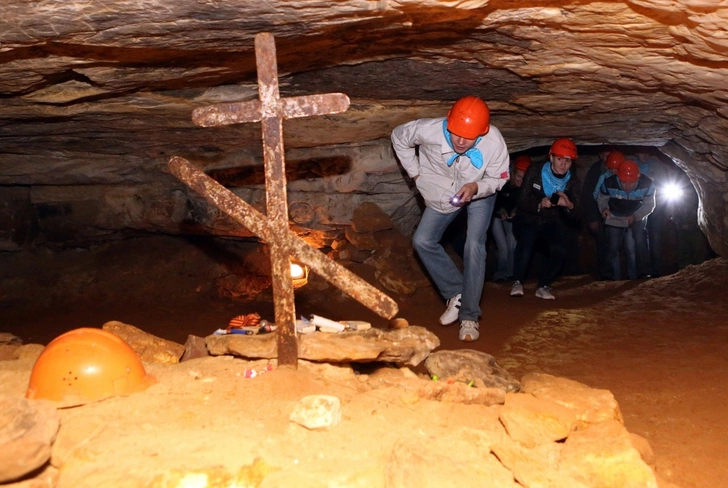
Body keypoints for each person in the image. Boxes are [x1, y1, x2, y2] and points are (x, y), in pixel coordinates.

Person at [391, 96, 509, 342]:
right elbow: (399, 136)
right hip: (444, 191)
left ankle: (469, 316)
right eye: (456, 134)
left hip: (479, 190)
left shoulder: (494, 142)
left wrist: (476, 187)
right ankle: (456, 292)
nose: (461, 141)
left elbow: (499, 178)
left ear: (482, 132)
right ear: (448, 122)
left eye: (469, 137)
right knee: (423, 240)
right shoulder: (428, 130)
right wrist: (415, 174)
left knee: (474, 244)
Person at [510, 138, 581, 300]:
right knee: (528, 237)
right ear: (551, 157)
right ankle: (518, 280)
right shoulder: (535, 171)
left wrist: (569, 205)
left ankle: (544, 285)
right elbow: (522, 200)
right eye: (559, 159)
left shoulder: (572, 181)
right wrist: (539, 203)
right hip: (527, 218)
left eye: (568, 160)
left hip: (550, 221)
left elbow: (579, 212)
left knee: (560, 249)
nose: (563, 164)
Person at [597, 160, 655, 281]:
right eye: (624, 182)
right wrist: (604, 209)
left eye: (631, 182)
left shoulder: (647, 183)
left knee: (639, 241)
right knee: (612, 246)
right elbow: (601, 198)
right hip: (615, 214)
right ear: (618, 177)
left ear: (638, 177)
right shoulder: (609, 182)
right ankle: (608, 276)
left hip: (636, 213)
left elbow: (649, 205)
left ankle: (643, 273)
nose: (627, 186)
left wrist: (636, 216)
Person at [593, 150, 637, 280]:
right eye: (611, 169)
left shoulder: (628, 176)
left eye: (615, 169)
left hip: (628, 215)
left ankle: (633, 277)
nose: (613, 172)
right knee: (613, 248)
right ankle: (615, 278)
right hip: (613, 217)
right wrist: (606, 207)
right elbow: (597, 195)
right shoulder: (604, 178)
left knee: (631, 248)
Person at [491, 155, 530, 282]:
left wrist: (516, 211)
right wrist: (499, 209)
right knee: (502, 245)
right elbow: (491, 200)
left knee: (512, 243)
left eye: (524, 178)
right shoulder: (503, 183)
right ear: (513, 173)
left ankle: (512, 274)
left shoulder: (525, 188)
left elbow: (525, 204)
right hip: (495, 217)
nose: (521, 180)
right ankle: (501, 274)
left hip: (510, 217)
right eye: (518, 176)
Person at [634, 148, 670, 277]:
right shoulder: (632, 165)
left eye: (646, 152)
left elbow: (664, 182)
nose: (644, 155)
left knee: (656, 237)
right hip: (639, 207)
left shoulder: (657, 164)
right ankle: (643, 271)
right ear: (636, 153)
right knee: (639, 238)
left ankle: (657, 271)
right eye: (641, 152)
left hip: (657, 206)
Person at [581, 148, 612, 280]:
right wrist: (592, 218)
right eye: (604, 154)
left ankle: (620, 276)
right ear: (600, 155)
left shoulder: (621, 168)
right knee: (603, 244)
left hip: (618, 214)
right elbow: (588, 195)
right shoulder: (595, 171)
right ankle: (606, 276)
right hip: (600, 215)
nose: (606, 157)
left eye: (609, 154)